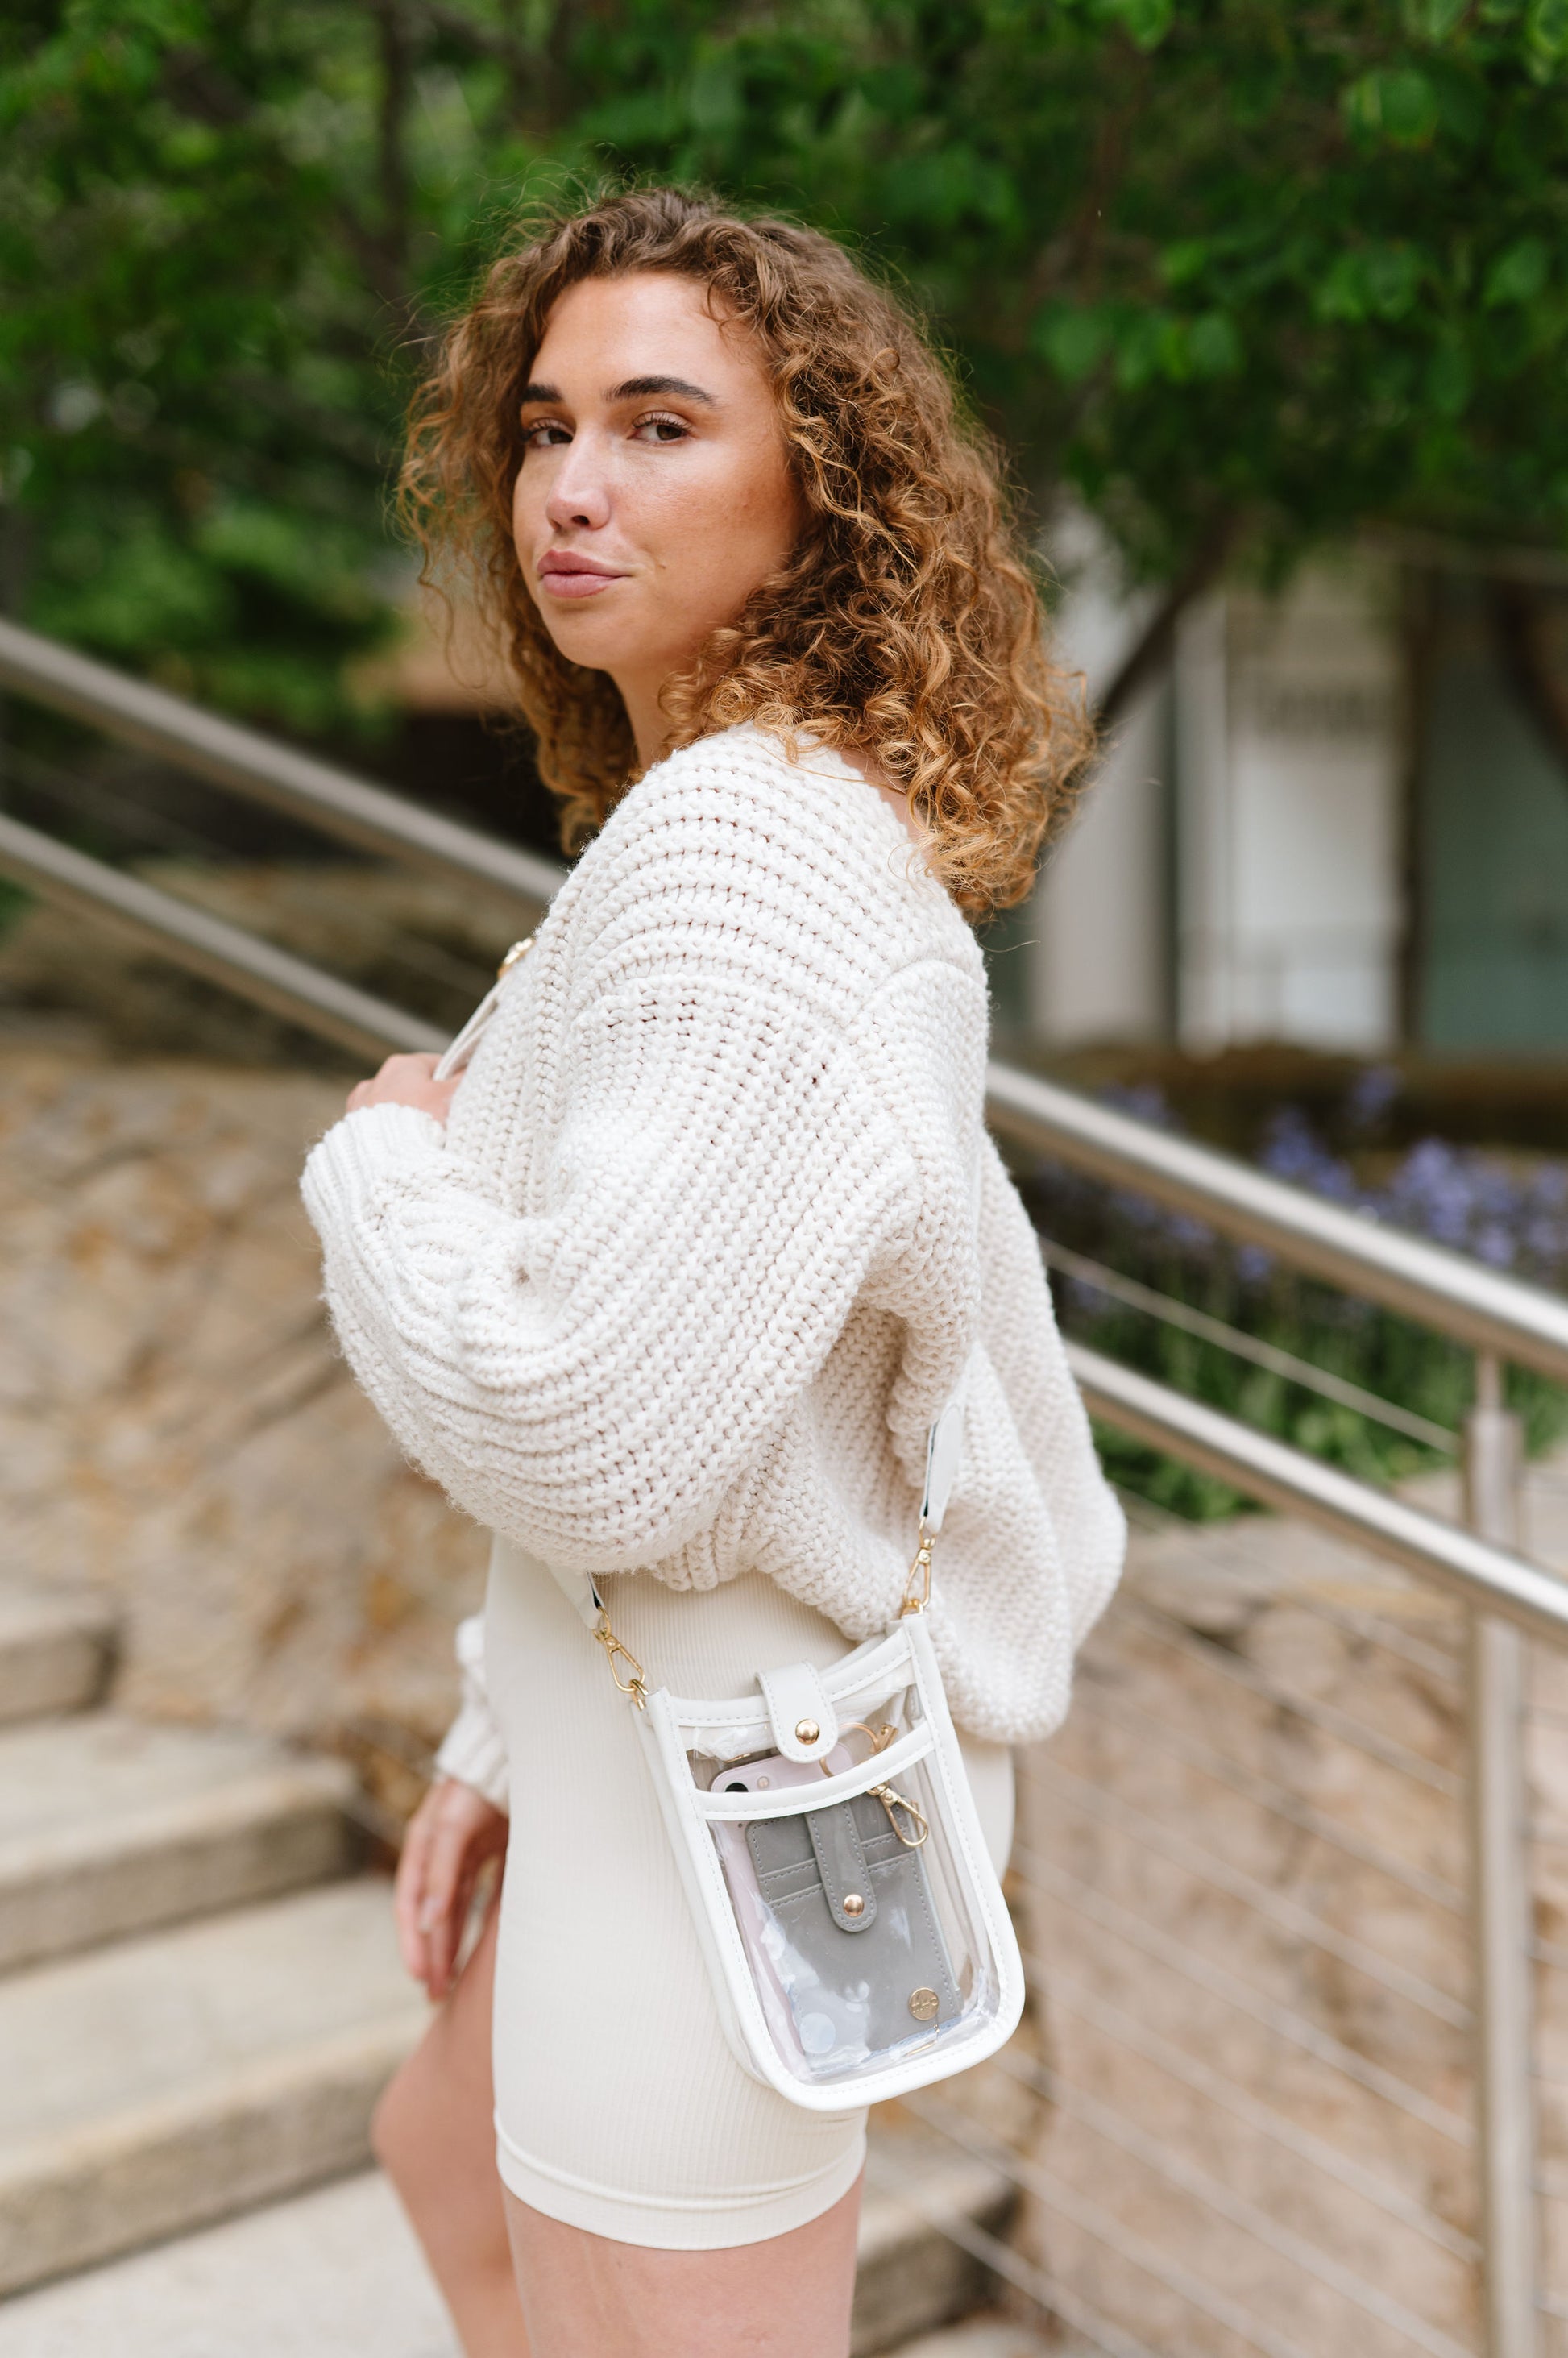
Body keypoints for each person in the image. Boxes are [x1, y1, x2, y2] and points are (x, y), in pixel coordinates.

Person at [302, 186, 1125, 2358]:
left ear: (817, 493)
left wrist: (378, 1164)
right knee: (448, 2158)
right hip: (633, 1728)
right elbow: (737, 1347)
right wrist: (501, 1733)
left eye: (659, 426)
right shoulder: (727, 820)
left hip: (722, 1780)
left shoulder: (747, 853)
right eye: (545, 427)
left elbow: (588, 1428)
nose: (571, 487)